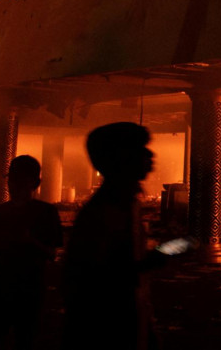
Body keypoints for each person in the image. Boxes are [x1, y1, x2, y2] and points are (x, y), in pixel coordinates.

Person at [63, 122, 165, 350]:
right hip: (105, 328)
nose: (150, 155)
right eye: (139, 149)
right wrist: (155, 258)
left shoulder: (125, 204)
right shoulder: (105, 212)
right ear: (121, 159)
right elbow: (101, 278)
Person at [0, 154, 64, 349]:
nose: (14, 185)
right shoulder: (0, 212)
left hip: (28, 287)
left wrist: (28, 241)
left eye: (19, 180)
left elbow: (51, 253)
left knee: (21, 337)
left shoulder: (44, 213)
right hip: (6, 286)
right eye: (12, 179)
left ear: (34, 182)